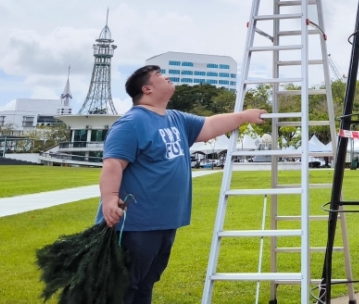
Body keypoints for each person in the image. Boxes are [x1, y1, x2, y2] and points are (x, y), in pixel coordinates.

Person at [98, 64, 266, 304]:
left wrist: (244, 116)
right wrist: (110, 198)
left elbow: (209, 126)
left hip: (166, 222)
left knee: (146, 283)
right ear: (146, 88)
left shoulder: (175, 118)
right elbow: (113, 164)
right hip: (137, 224)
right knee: (126, 287)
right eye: (159, 76)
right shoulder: (131, 123)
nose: (166, 77)